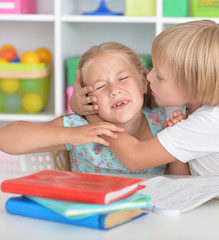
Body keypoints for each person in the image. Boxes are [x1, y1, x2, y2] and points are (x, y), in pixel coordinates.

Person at [70, 20, 219, 177]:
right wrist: (79, 104)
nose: (148, 77)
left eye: (159, 76)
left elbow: (135, 158)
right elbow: (180, 180)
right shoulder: (186, 104)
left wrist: (95, 117)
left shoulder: (214, 120)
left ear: (192, 85)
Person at [0, 42, 188, 175]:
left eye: (123, 78)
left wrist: (176, 145)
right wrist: (71, 135)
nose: (115, 90)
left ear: (143, 83)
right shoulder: (80, 127)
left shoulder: (161, 123)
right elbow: (6, 138)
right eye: (100, 86)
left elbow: (180, 183)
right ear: (88, 98)